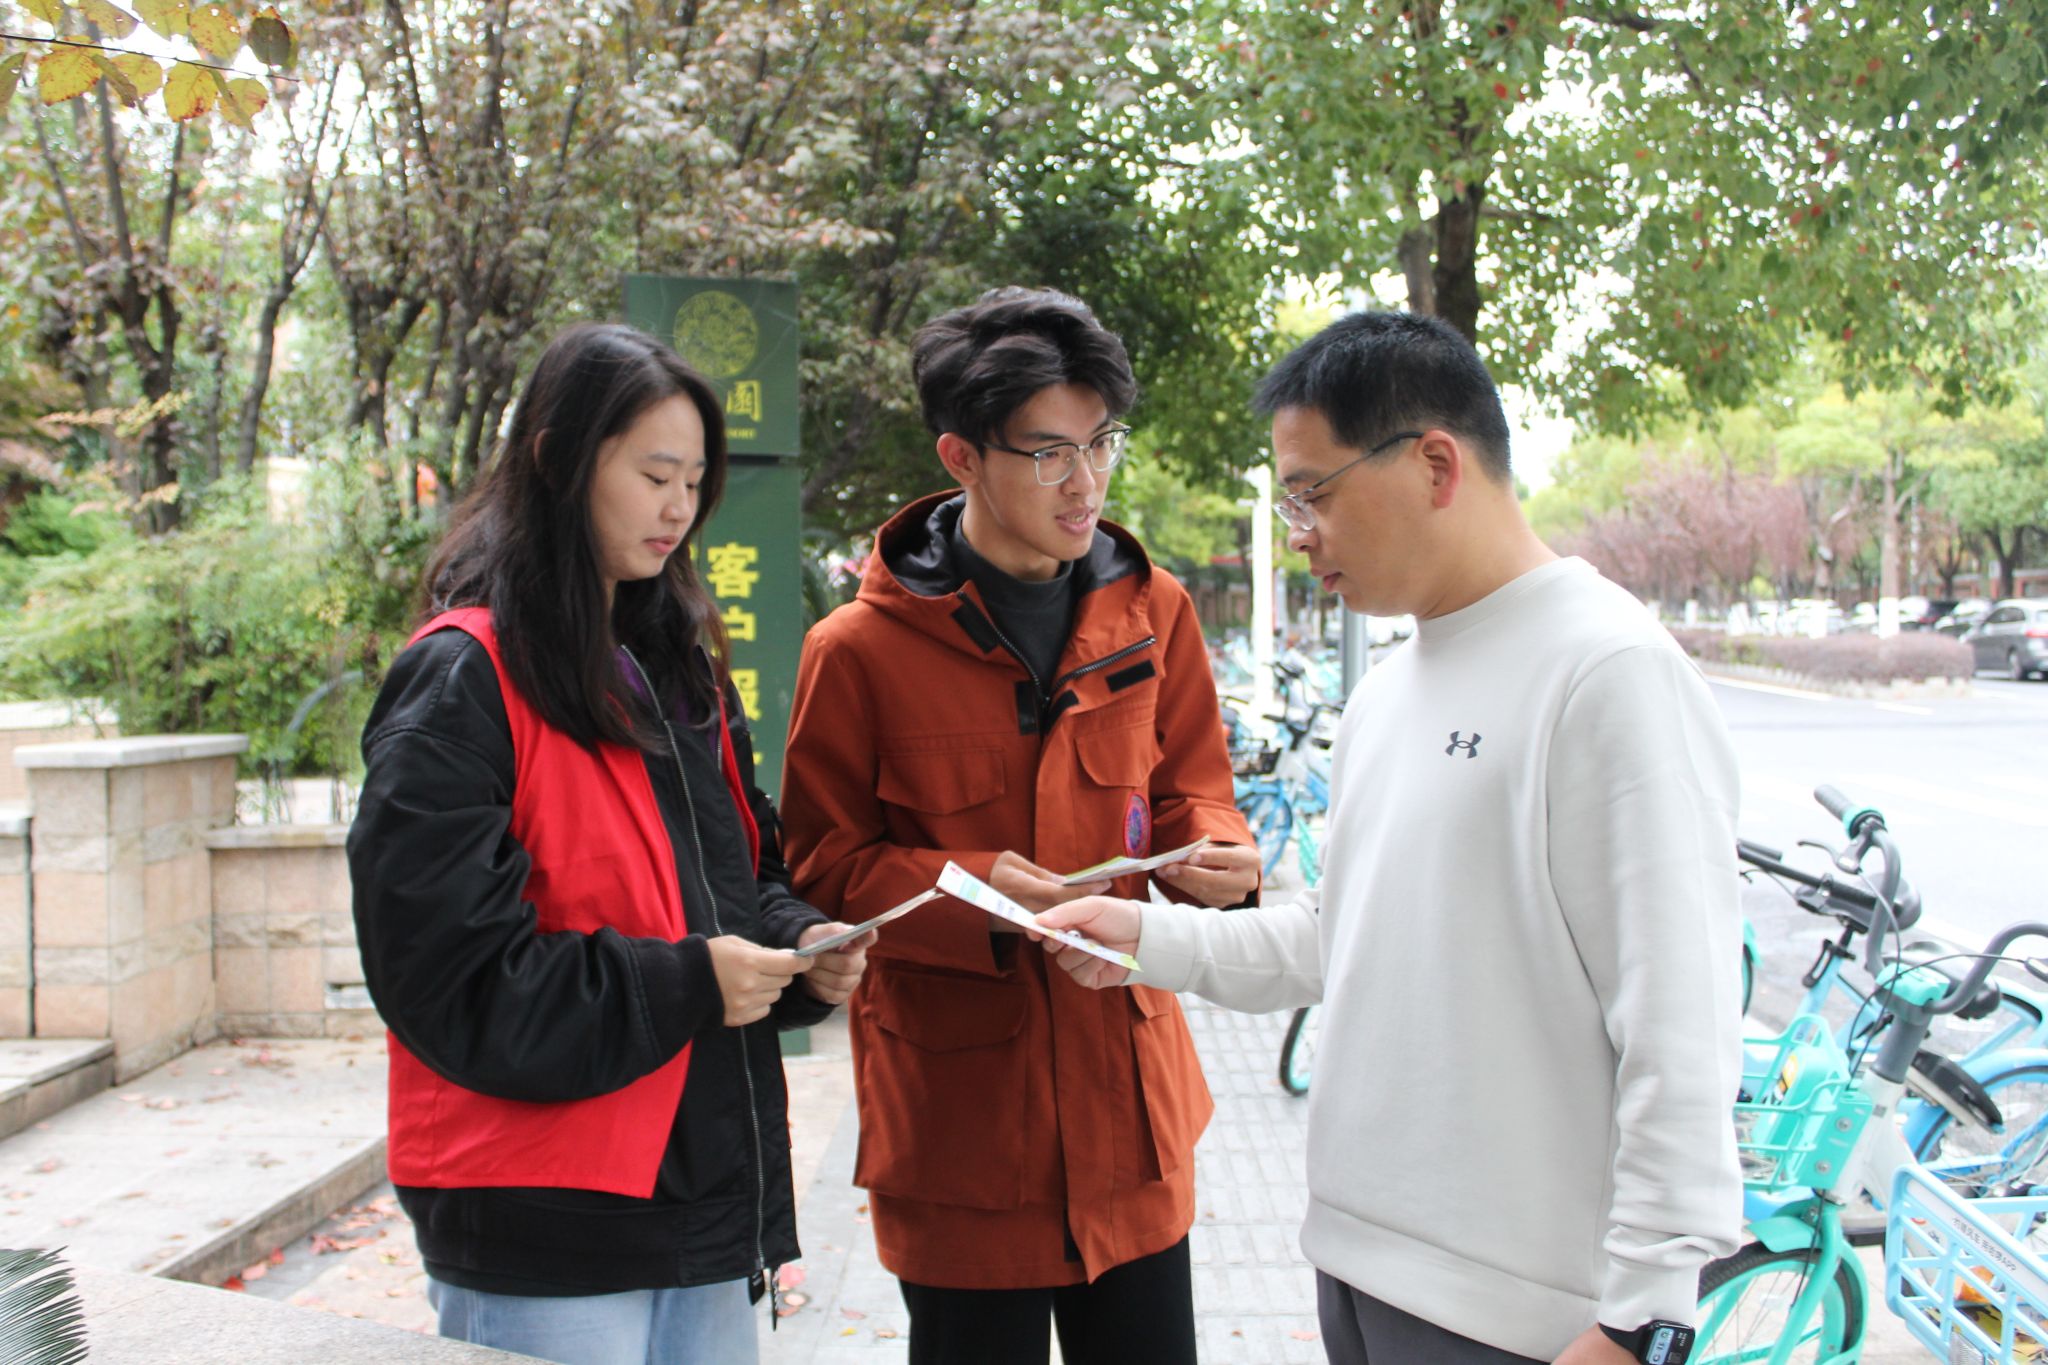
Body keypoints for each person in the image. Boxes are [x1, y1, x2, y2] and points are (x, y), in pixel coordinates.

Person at [1037, 311, 1744, 1365]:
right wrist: (1144, 937)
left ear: (1435, 465)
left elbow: (1679, 1025)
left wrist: (1642, 1318)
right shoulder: (1385, 689)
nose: (1300, 530)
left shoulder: (1607, 673)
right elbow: (1344, 935)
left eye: (1312, 493)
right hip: (1356, 1266)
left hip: (1516, 1313)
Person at [348, 322, 872, 1365]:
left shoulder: (679, 670)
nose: (679, 507)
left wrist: (799, 944)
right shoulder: (463, 676)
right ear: (557, 459)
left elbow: (740, 880)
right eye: (654, 475)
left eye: (696, 482)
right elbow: (445, 979)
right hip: (539, 1221)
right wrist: (689, 982)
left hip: (699, 1198)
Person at [778, 286, 1260, 1365]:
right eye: (1048, 454)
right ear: (960, 457)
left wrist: (1220, 851)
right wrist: (975, 892)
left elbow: (1194, 789)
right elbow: (822, 869)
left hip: (1131, 1118)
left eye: (1101, 443)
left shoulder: (1154, 612)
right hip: (962, 1133)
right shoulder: (855, 652)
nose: (1084, 482)